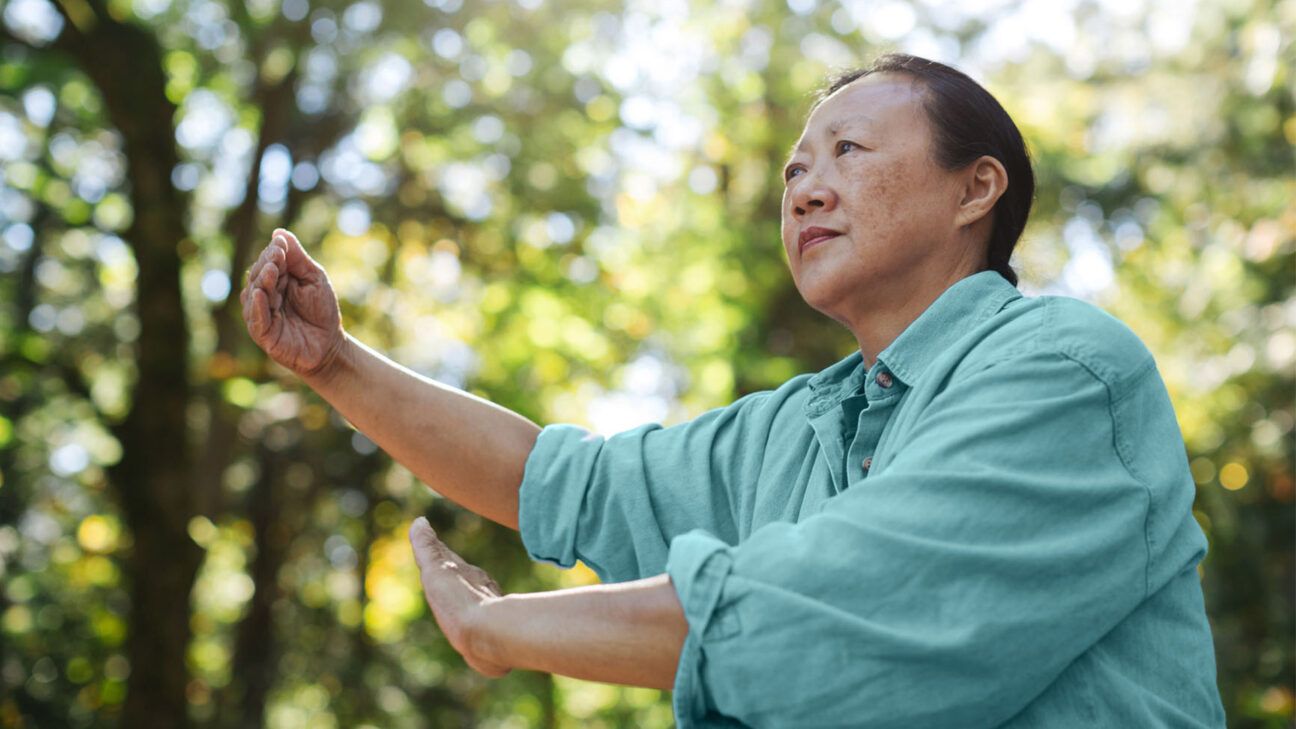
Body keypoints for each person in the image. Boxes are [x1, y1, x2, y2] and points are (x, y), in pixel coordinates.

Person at [240, 53, 1226, 727]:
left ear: (976, 189)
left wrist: (504, 631)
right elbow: (557, 480)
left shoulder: (1063, 370)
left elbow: (839, 603)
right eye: (795, 169)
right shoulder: (800, 423)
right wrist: (337, 363)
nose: (804, 188)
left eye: (848, 151)